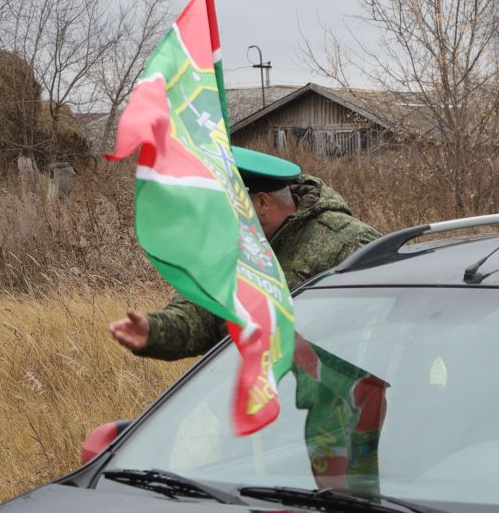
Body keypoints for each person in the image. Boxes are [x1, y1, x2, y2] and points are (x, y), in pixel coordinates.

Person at [108, 147, 381, 361]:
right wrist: (154, 331)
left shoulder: (347, 241)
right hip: (252, 409)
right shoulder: (226, 244)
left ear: (261, 203)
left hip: (327, 409)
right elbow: (198, 312)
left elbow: (390, 325)